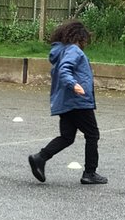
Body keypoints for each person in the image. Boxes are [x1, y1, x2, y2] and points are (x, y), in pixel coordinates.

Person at [28, 19, 107, 185]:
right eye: (85, 40)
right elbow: (65, 70)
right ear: (80, 38)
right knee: (92, 134)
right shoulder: (73, 50)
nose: (85, 43)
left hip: (66, 103)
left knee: (67, 137)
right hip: (77, 101)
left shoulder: (61, 51)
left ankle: (40, 158)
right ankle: (89, 173)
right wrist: (74, 85)